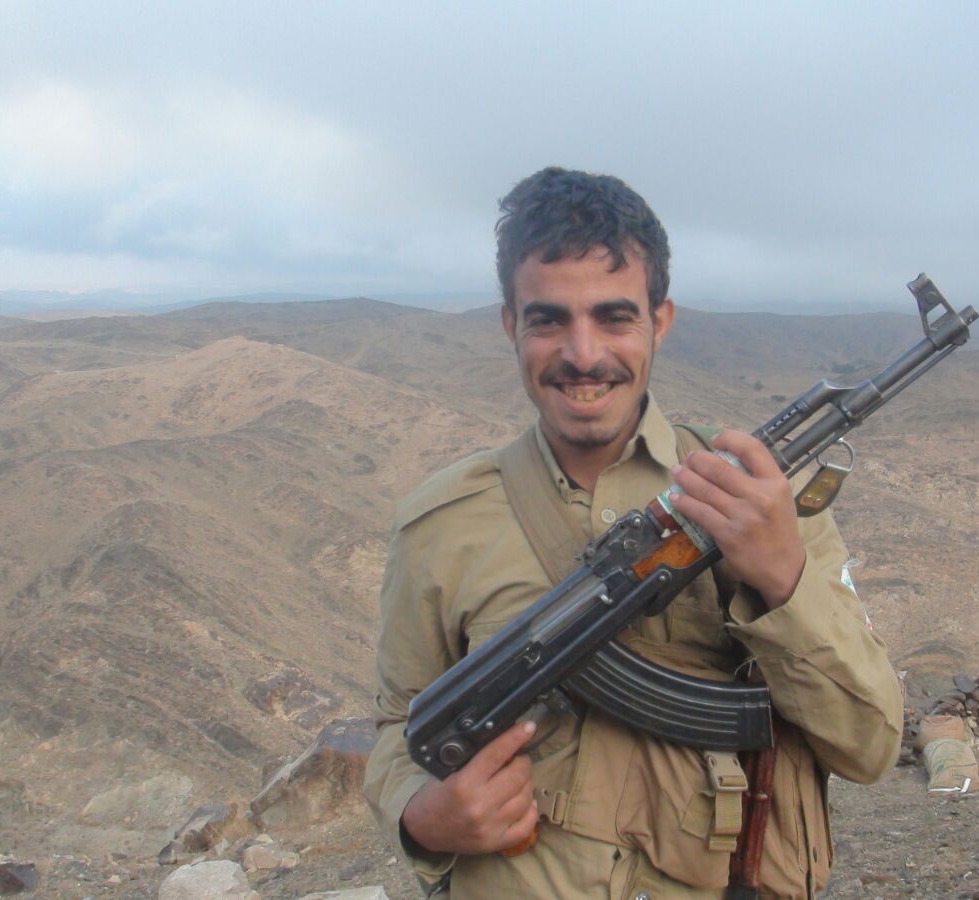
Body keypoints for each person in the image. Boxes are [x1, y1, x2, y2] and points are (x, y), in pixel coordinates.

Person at [364, 167, 904, 899]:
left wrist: (784, 579)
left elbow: (870, 746)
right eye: (548, 320)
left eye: (615, 318)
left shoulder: (758, 502)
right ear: (510, 325)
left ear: (661, 320)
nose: (584, 354)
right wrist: (422, 818)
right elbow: (400, 723)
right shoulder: (442, 523)